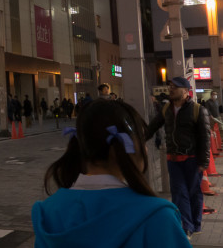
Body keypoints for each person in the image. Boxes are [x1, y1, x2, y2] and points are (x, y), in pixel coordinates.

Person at [32, 99, 191, 247]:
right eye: (142, 140)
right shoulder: (157, 216)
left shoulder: (47, 212)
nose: (146, 149)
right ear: (123, 146)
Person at [146, 76, 211, 238]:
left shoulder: (197, 109)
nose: (171, 89)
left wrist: (204, 162)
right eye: (170, 86)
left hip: (192, 159)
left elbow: (205, 138)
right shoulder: (166, 109)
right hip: (173, 159)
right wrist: (138, 140)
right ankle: (185, 226)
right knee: (179, 193)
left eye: (175, 87)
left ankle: (195, 224)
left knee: (194, 193)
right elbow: (152, 127)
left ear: (185, 91)